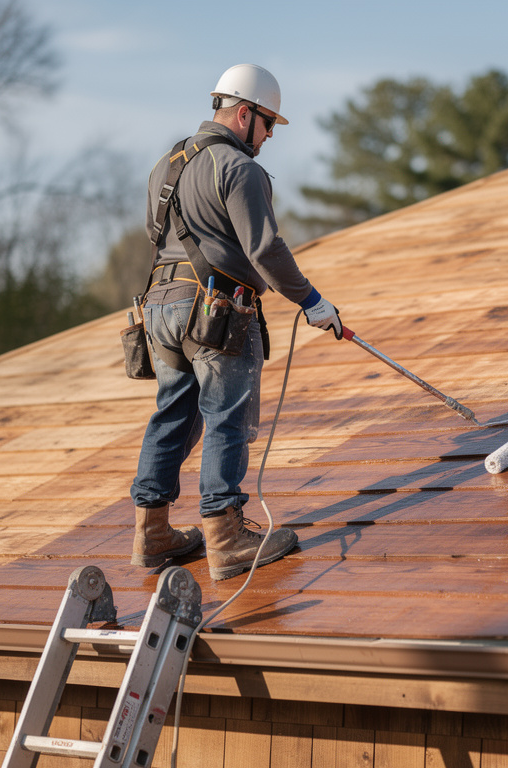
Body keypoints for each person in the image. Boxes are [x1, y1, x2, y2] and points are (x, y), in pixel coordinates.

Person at [130, 64, 342, 581]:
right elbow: (264, 246)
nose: (269, 136)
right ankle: (225, 536)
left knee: (172, 416)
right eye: (268, 124)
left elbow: (156, 234)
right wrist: (311, 300)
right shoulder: (240, 169)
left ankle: (152, 535)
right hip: (217, 309)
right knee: (226, 416)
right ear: (245, 113)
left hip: (159, 305)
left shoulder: (166, 164)